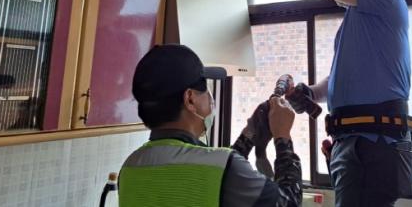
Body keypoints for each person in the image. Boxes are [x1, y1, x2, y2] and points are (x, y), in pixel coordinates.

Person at [287, 0, 412, 207]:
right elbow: (337, 80)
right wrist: (310, 93)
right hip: (352, 142)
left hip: (378, 141)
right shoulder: (350, 25)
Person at [118, 44, 302, 207]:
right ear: (190, 99)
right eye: (206, 88)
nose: (210, 96)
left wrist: (248, 135)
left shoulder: (130, 168)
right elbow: (290, 201)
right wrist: (283, 137)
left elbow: (219, 177)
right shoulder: (223, 167)